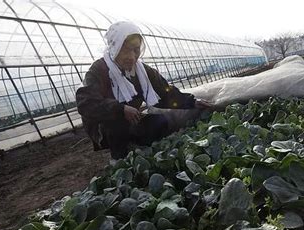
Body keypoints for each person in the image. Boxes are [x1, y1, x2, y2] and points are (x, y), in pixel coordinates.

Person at [76, 20, 211, 159]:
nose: (132, 56)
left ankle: (137, 148)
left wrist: (192, 102)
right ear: (114, 47)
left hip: (131, 119)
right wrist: (120, 109)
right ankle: (119, 158)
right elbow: (85, 103)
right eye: (125, 49)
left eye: (136, 49)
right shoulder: (99, 70)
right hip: (105, 125)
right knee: (117, 123)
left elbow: (165, 92)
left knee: (160, 122)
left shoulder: (142, 71)